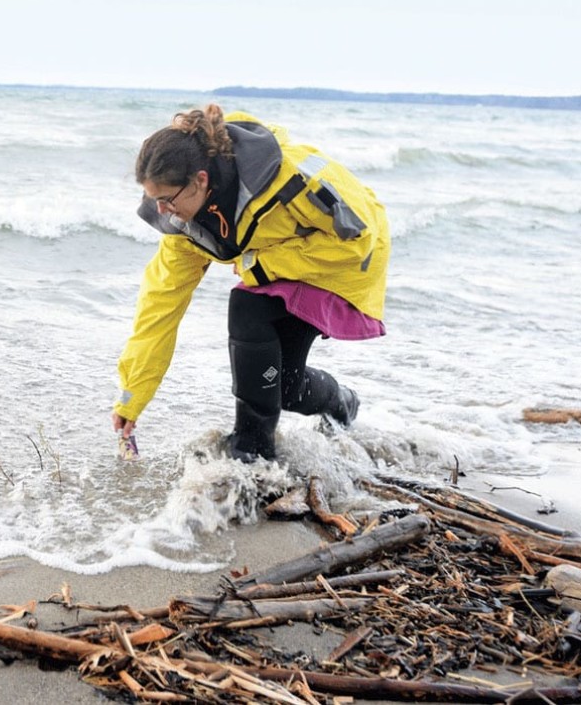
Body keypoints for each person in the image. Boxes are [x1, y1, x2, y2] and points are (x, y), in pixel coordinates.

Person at [112, 104, 389, 462]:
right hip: (280, 266)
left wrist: (258, 265)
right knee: (285, 387)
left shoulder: (290, 178)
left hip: (347, 258)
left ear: (200, 180)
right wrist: (133, 395)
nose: (162, 211)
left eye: (166, 199)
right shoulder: (184, 225)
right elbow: (159, 308)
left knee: (247, 305)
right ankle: (343, 405)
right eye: (153, 200)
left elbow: (357, 239)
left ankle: (252, 452)